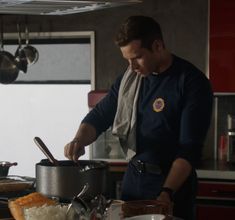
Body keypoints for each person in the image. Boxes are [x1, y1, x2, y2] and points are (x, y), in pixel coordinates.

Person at [64, 15, 213, 220]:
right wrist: (78, 139)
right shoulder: (132, 79)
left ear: (158, 45)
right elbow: (99, 116)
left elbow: (189, 148)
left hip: (171, 184)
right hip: (134, 180)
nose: (131, 67)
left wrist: (167, 192)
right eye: (127, 60)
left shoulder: (191, 83)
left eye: (137, 57)